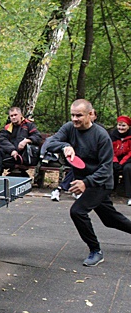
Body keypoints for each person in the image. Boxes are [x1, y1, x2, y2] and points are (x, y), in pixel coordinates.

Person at [45, 99, 131, 267]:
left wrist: (86, 182)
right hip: (86, 182)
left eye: (79, 115)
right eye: (73, 115)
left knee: (77, 211)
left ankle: (95, 251)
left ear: (90, 115)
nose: (75, 119)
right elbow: (50, 143)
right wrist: (64, 146)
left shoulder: (101, 136)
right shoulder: (69, 128)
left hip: (101, 183)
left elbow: (106, 169)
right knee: (111, 219)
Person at [0, 107, 42, 176]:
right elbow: (1, 140)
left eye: (15, 115)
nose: (13, 117)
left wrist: (27, 141)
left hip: (24, 156)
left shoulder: (29, 125)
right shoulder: (8, 127)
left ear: (20, 115)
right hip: (11, 155)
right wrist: (12, 150)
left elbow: (37, 137)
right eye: (11, 116)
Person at [110, 115, 131, 205]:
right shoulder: (112, 135)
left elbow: (130, 152)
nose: (121, 128)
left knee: (128, 169)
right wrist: (115, 161)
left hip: (128, 159)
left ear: (128, 126)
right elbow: (110, 150)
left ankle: (129, 195)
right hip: (115, 158)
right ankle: (109, 191)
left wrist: (122, 162)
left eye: (123, 126)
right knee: (110, 168)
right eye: (119, 125)